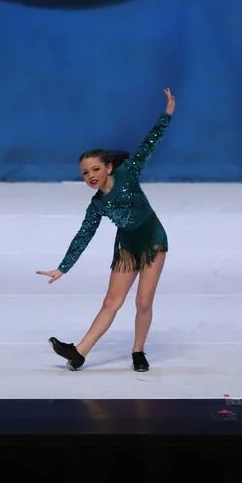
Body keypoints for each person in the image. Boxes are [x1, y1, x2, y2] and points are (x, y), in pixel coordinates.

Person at [37, 88, 176, 372]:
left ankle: (138, 350)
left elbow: (150, 143)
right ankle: (79, 352)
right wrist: (63, 268)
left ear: (109, 167)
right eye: (85, 173)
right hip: (126, 247)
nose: (91, 176)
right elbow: (83, 236)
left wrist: (167, 114)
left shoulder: (129, 172)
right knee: (112, 302)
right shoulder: (97, 204)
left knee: (144, 301)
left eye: (95, 169)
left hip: (152, 241)